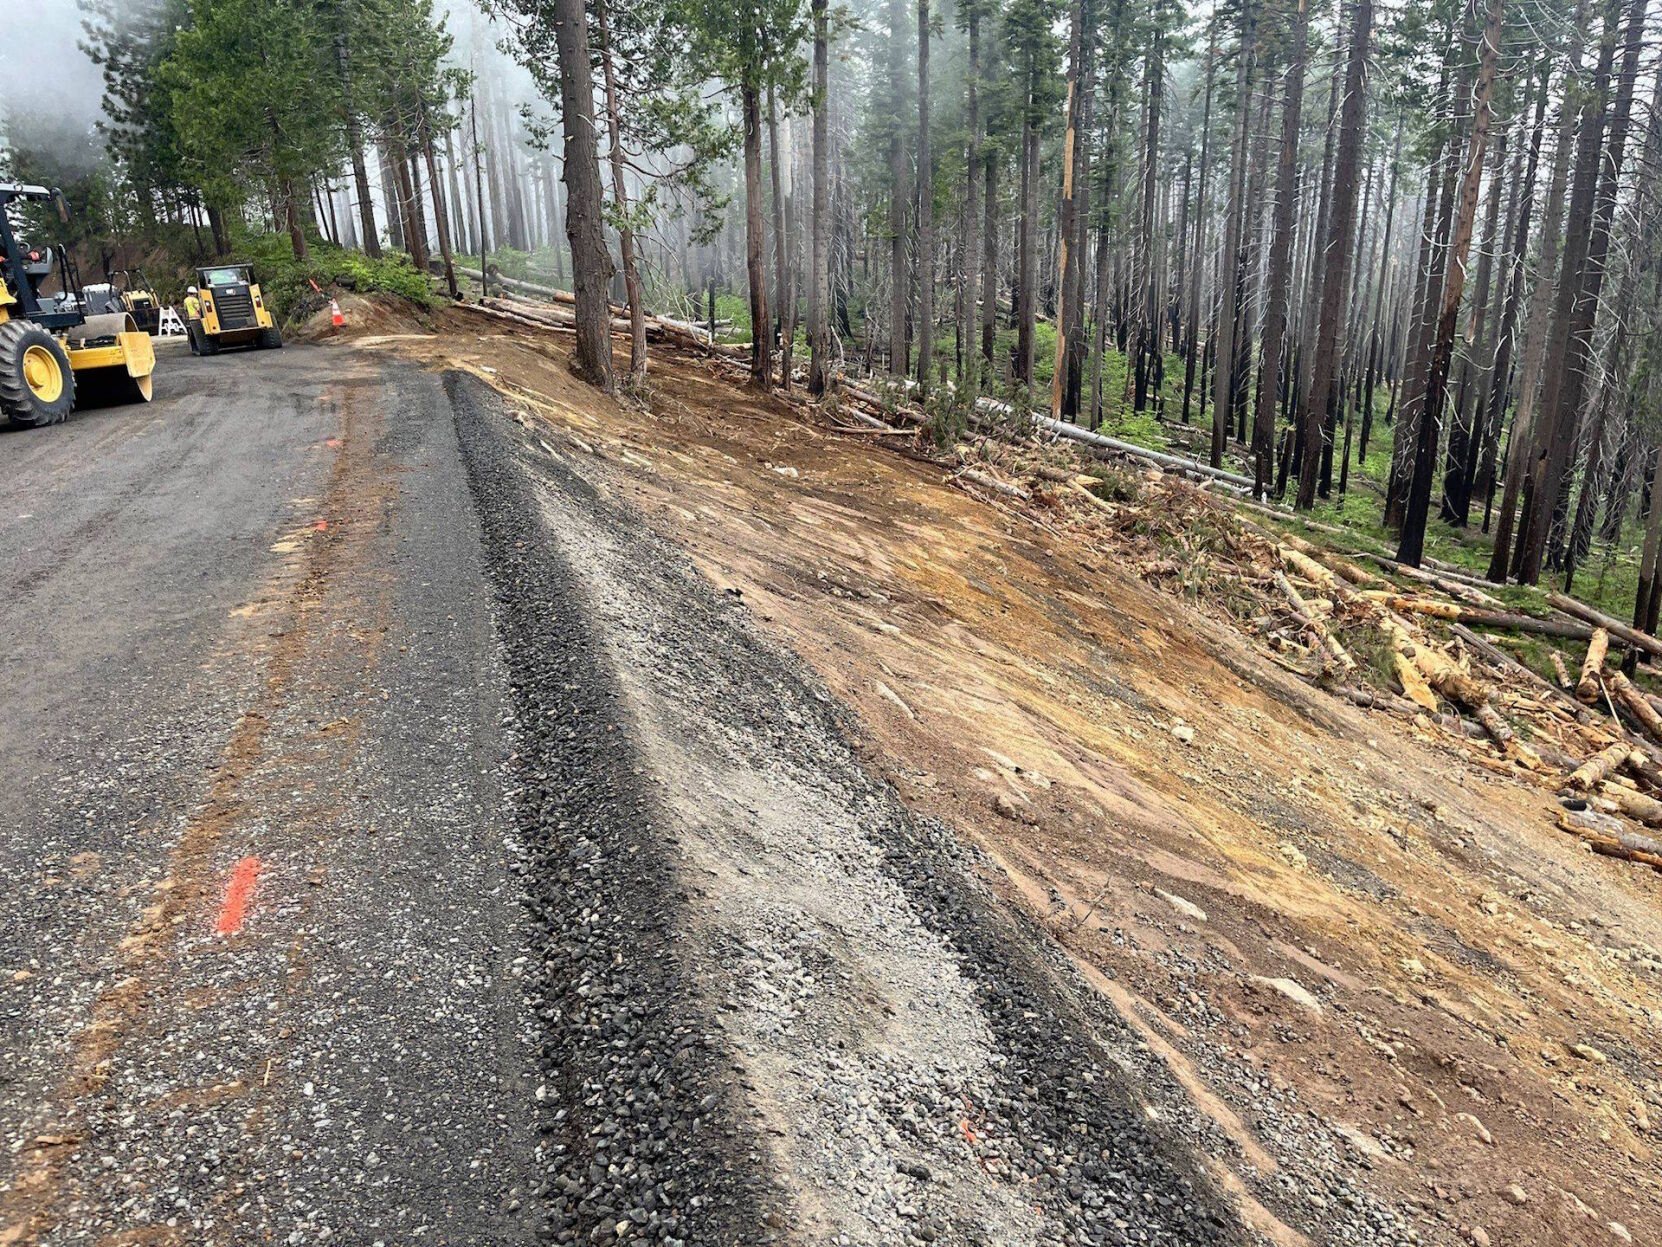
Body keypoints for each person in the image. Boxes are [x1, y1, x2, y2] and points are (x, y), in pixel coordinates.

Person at [183, 285, 204, 355]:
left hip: (190, 319)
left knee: (191, 335)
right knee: (198, 335)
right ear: (194, 293)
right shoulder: (195, 300)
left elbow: (185, 310)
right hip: (196, 318)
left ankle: (194, 349)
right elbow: (198, 309)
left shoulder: (185, 300)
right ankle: (199, 349)